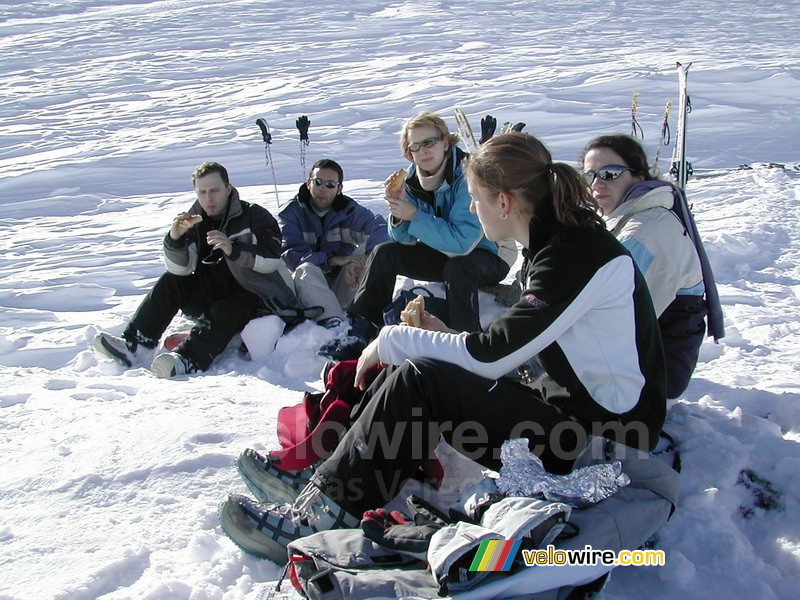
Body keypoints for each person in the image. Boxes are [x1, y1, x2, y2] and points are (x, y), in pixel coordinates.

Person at [218, 133, 667, 563]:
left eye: (475, 198)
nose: (472, 207)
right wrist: (442, 339)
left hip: (606, 444)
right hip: (576, 420)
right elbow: (524, 351)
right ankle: (327, 479)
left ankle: (326, 511)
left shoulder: (573, 254)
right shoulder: (559, 241)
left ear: (504, 202)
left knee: (422, 375)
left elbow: (493, 354)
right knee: (425, 362)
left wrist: (394, 338)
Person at [319, 110, 514, 361]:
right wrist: (399, 214)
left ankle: (465, 343)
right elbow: (404, 240)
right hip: (445, 252)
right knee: (384, 253)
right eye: (415, 146)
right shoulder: (410, 179)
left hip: (489, 254)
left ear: (446, 142)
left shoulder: (468, 175)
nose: (423, 151)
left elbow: (463, 244)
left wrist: (414, 216)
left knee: (458, 268)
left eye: (429, 142)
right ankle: (360, 330)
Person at [93, 161, 298, 378]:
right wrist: (175, 239)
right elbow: (179, 269)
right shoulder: (193, 219)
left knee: (228, 308)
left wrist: (233, 249)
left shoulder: (255, 217)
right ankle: (136, 345)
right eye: (202, 192)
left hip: (259, 296)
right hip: (214, 293)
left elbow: (272, 260)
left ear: (228, 189)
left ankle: (188, 359)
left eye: (215, 190)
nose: (209, 198)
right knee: (171, 281)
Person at [581, 134, 716, 398]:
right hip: (646, 359)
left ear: (638, 176)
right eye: (589, 176)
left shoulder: (646, 230)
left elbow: (611, 318)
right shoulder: (633, 216)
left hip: (653, 373)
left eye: (609, 173)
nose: (597, 184)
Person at [279, 159, 390, 328]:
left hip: (342, 283)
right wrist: (334, 260)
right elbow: (291, 256)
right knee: (305, 268)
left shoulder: (348, 211)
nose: (323, 188)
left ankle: (366, 315)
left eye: (330, 184)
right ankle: (335, 324)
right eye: (318, 182)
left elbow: (381, 228)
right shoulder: (290, 214)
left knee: (370, 252)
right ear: (309, 184)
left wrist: (363, 260)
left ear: (339, 189)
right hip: (306, 291)